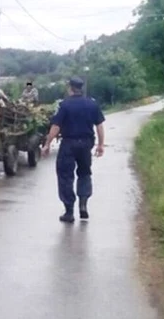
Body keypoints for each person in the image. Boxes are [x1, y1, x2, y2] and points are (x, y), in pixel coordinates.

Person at [42, 77, 105, 223]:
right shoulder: (92, 103)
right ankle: (83, 205)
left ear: (70, 88)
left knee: (65, 175)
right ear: (81, 88)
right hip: (86, 144)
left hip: (69, 144)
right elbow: (99, 126)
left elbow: (56, 127)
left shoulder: (64, 105)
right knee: (84, 173)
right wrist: (101, 145)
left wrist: (47, 144)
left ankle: (69, 211)